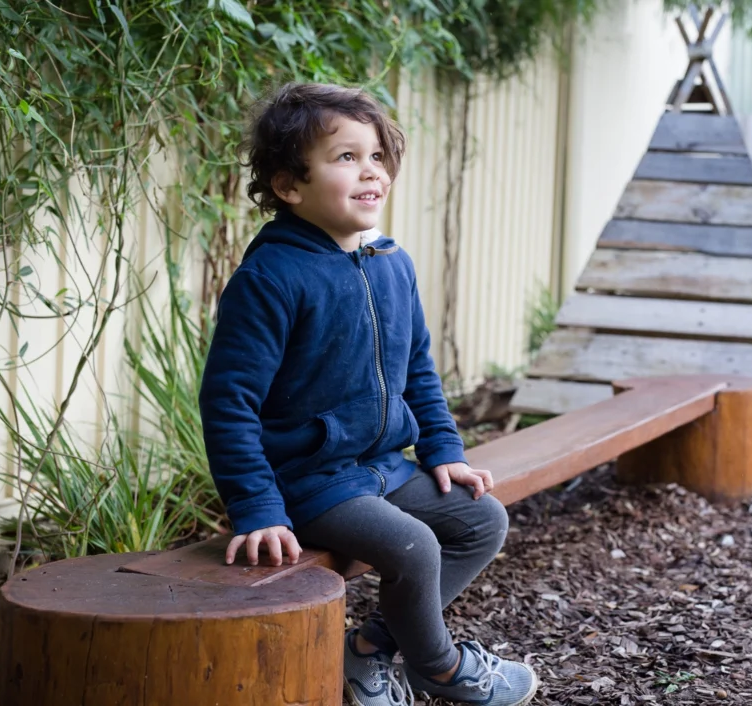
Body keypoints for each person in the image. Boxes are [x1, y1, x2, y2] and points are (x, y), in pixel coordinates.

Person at [198, 82, 538, 706]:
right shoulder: (270, 279)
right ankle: (439, 667)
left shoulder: (392, 263)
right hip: (310, 481)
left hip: (384, 466)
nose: (371, 171)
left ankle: (369, 650)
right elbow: (229, 403)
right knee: (413, 546)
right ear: (288, 187)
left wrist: (443, 450)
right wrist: (258, 506)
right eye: (345, 157)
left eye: (377, 156)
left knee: (482, 520)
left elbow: (418, 367)